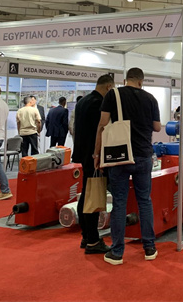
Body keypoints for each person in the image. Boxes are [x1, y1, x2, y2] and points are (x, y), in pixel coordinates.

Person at [94, 68, 161, 265]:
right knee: (144, 201)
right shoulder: (150, 99)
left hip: (119, 156)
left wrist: (97, 154)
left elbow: (102, 125)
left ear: (125, 80)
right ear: (141, 82)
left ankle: (117, 252)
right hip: (144, 155)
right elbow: (157, 127)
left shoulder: (113, 95)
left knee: (119, 203)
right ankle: (149, 247)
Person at [72, 74, 114, 255]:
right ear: (108, 87)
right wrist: (99, 156)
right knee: (93, 197)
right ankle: (93, 240)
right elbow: (100, 130)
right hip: (94, 156)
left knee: (86, 194)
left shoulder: (83, 101)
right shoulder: (99, 103)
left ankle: (86, 235)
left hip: (83, 154)